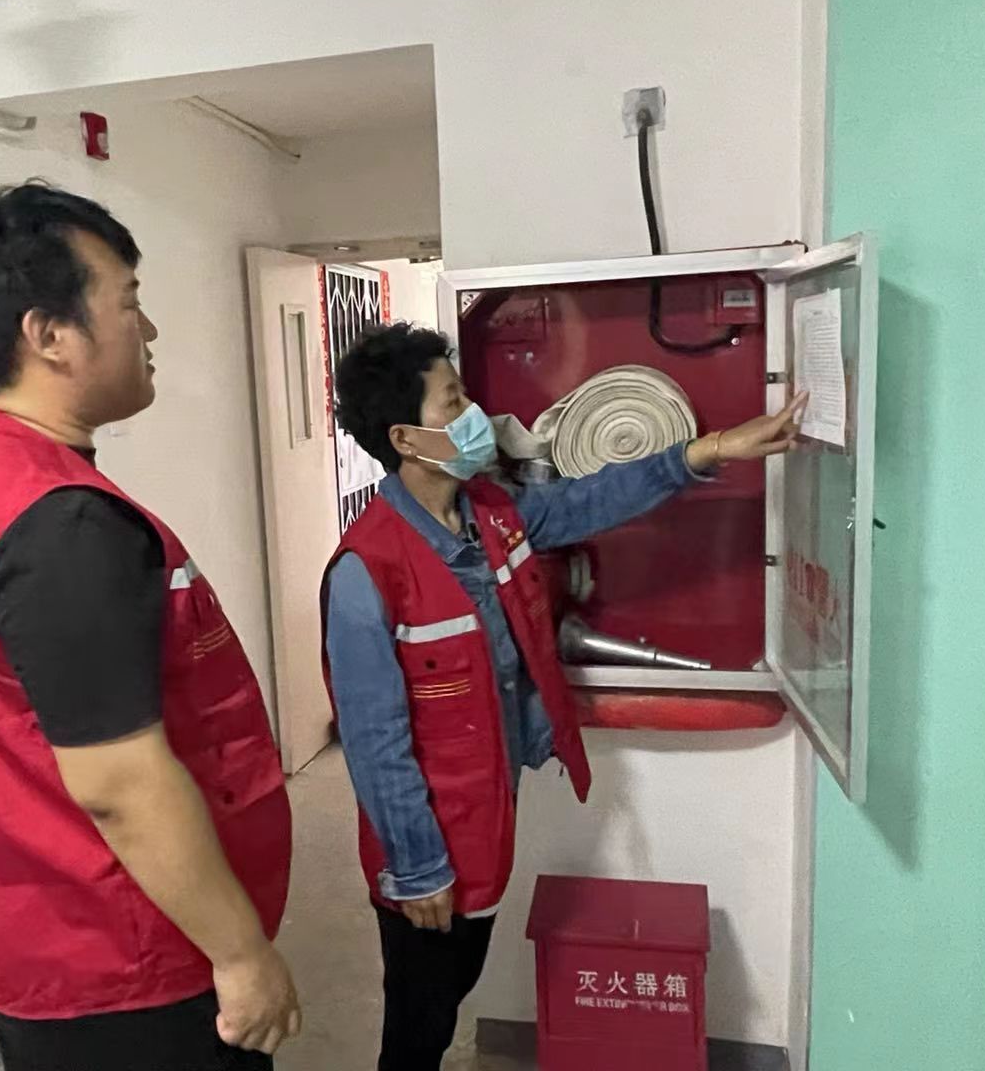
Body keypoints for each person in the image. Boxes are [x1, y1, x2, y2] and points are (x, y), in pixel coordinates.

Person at [322, 323, 805, 1070]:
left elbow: (587, 501)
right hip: (431, 841)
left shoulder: (489, 515)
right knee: (420, 1018)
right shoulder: (366, 572)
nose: (474, 413)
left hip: (491, 811)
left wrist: (709, 450)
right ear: (407, 439)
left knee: (453, 988)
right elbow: (374, 744)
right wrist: (417, 868)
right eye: (453, 401)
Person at [0, 183, 299, 1071]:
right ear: (50, 335)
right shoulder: (66, 528)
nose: (148, 329)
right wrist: (243, 955)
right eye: (128, 303)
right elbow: (121, 781)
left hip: (25, 916)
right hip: (119, 959)